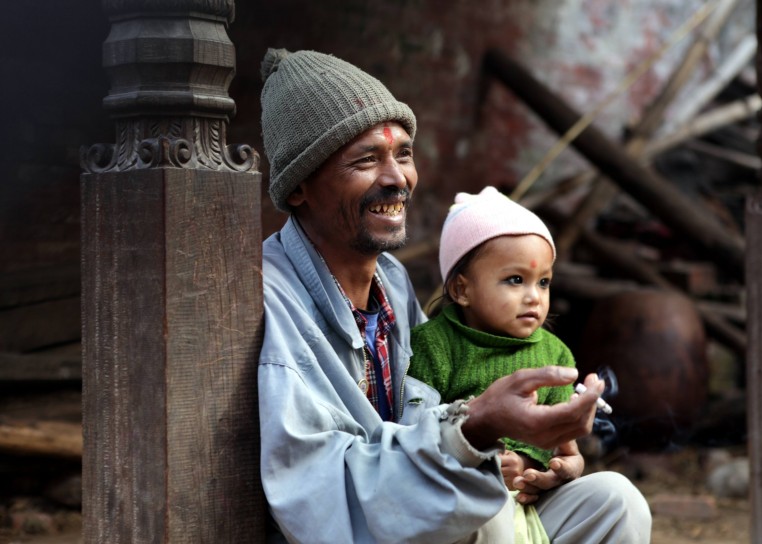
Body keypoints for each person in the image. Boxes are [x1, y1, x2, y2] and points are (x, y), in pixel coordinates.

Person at [257, 47, 651, 543]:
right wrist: (473, 437)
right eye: (366, 160)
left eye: (402, 154)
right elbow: (315, 495)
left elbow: (422, 411)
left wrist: (537, 461)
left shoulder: (392, 282)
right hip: (362, 528)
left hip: (416, 508)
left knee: (616, 502)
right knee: (474, 503)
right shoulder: (273, 299)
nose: (397, 178)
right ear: (299, 189)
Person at [409, 186, 580, 543]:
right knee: (487, 501)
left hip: (531, 502)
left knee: (619, 496)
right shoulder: (432, 347)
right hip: (456, 508)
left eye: (544, 282)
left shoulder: (556, 356)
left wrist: (538, 465)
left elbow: (565, 452)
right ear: (461, 290)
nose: (534, 296)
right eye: (515, 280)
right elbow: (413, 433)